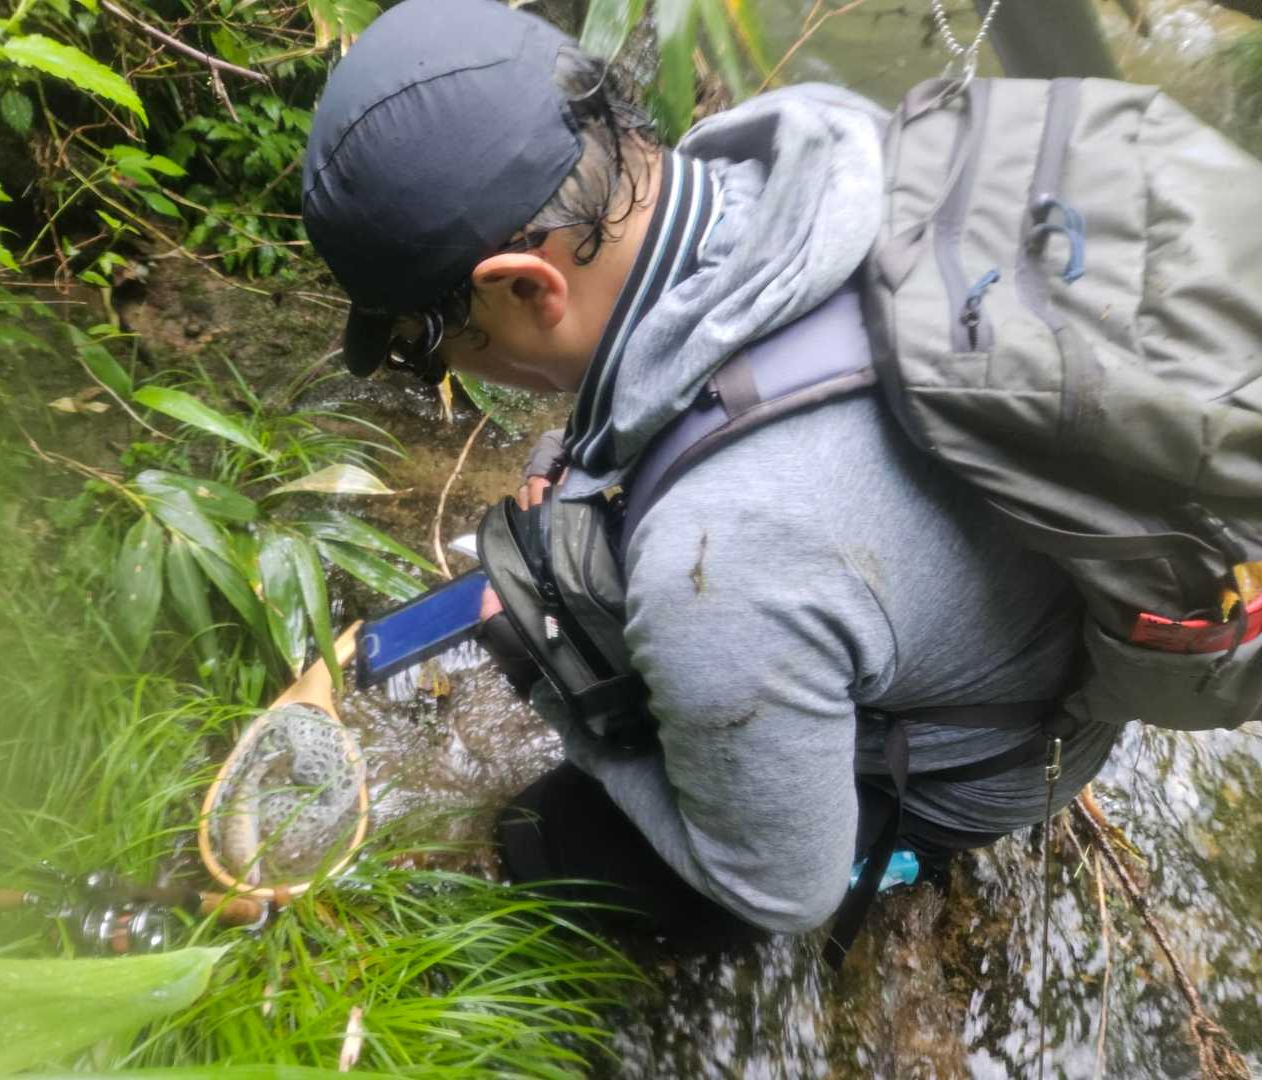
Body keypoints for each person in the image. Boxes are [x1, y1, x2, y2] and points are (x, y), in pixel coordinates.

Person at [300, 0, 1119, 943]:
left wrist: (561, 693)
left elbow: (783, 893)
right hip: (1023, 611)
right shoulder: (800, 147)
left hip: (992, 761)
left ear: (525, 285)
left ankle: (905, 856)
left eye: (422, 345)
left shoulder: (725, 553)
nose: (437, 366)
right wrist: (583, 460)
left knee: (546, 844)